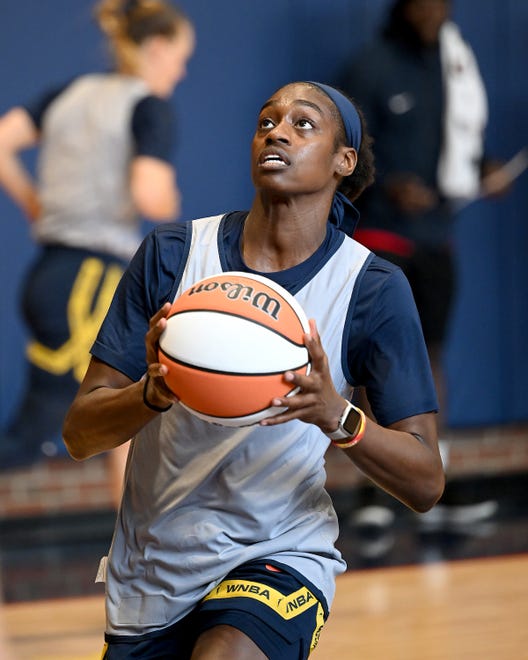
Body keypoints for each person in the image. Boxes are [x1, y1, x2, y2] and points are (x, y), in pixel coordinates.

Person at [62, 80, 444, 659]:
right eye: (267, 120)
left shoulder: (369, 288)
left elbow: (425, 481)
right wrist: (151, 394)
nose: (278, 131)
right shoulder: (173, 255)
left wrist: (336, 415)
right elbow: (79, 433)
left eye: (304, 124)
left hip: (280, 551)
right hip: (156, 566)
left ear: (345, 162)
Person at [0, 0, 195, 504]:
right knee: (35, 435)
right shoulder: (148, 106)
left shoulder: (70, 93)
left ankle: (130, 548)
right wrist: (170, 195)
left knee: (120, 416)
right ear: (156, 48)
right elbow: (152, 194)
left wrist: (33, 203)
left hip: (55, 271)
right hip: (91, 279)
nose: (182, 69)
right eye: (180, 56)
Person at [339, 0, 511, 530]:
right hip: (383, 231)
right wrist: (387, 183)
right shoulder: (369, 65)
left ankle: (432, 482)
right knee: (374, 360)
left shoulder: (456, 64)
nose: (434, 11)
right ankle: (371, 491)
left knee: (432, 355)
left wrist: (484, 169)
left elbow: (464, 141)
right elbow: (342, 150)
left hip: (438, 237)